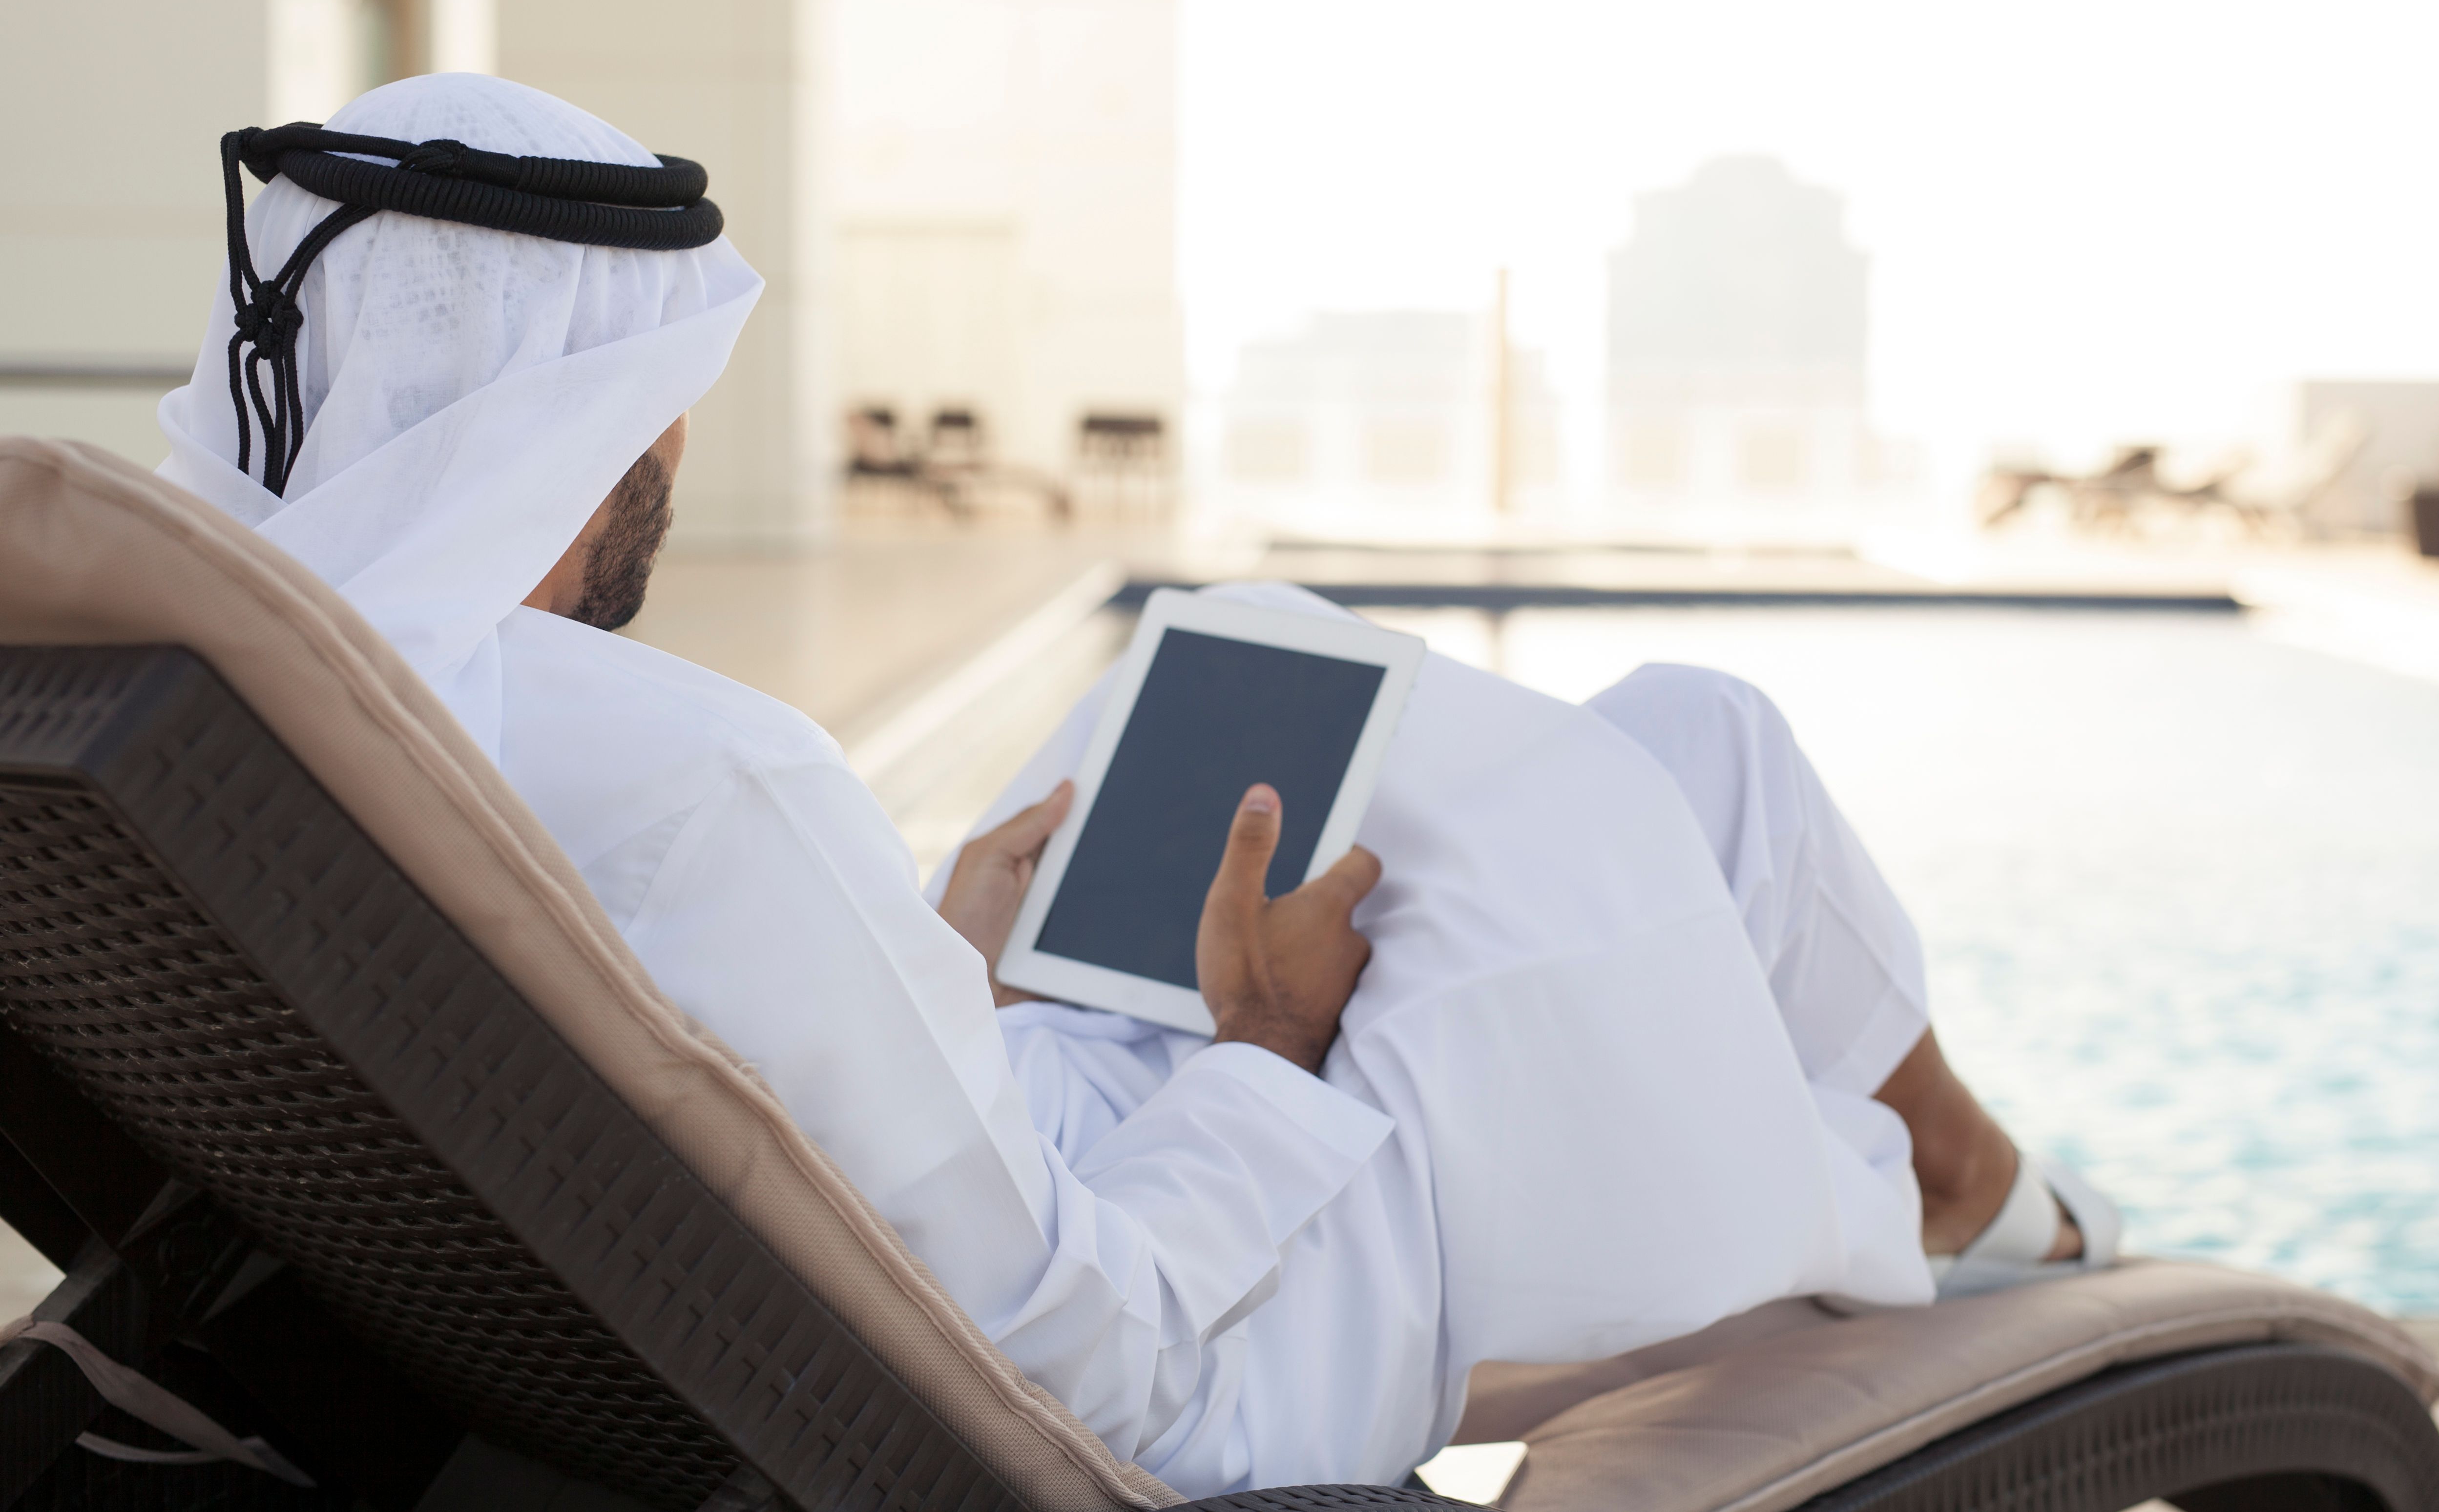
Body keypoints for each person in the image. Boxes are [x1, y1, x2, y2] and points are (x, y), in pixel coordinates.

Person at [159, 74, 2118, 1499]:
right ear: (612, 423)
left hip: (887, 1229)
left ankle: (1927, 1169)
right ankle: (1941, 1175)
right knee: (1699, 754)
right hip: (1213, 1352)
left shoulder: (273, 726)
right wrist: (1268, 1054)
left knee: (1289, 710)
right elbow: (1093, 1361)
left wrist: (936, 987)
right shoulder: (708, 781)